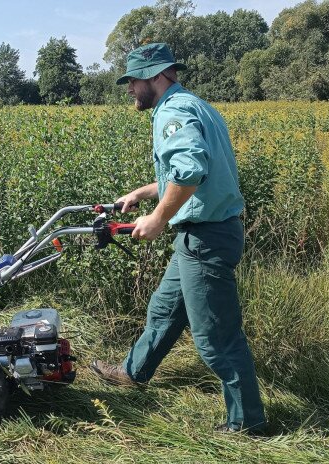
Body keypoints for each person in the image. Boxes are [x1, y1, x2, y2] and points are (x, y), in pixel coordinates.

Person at [89, 43, 267, 435]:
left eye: (133, 80)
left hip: (205, 238)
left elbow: (190, 170)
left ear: (156, 76)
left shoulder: (172, 111)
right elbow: (188, 171)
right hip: (200, 236)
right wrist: (141, 194)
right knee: (166, 309)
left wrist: (157, 218)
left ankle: (247, 422)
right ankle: (134, 372)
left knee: (217, 337)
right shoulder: (194, 104)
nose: (131, 89)